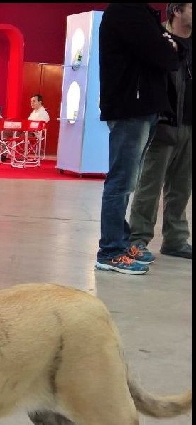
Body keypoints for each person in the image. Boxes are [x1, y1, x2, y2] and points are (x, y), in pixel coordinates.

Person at [95, 3, 181, 275]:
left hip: (144, 107)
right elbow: (164, 56)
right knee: (121, 182)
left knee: (128, 181)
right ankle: (110, 250)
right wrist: (167, 44)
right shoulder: (126, 11)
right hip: (131, 107)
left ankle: (120, 241)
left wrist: (167, 45)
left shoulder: (141, 12)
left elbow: (167, 53)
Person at [129, 2, 192, 261]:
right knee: (149, 186)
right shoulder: (159, 39)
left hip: (190, 126)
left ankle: (176, 240)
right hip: (162, 124)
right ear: (176, 11)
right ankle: (138, 239)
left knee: (182, 187)